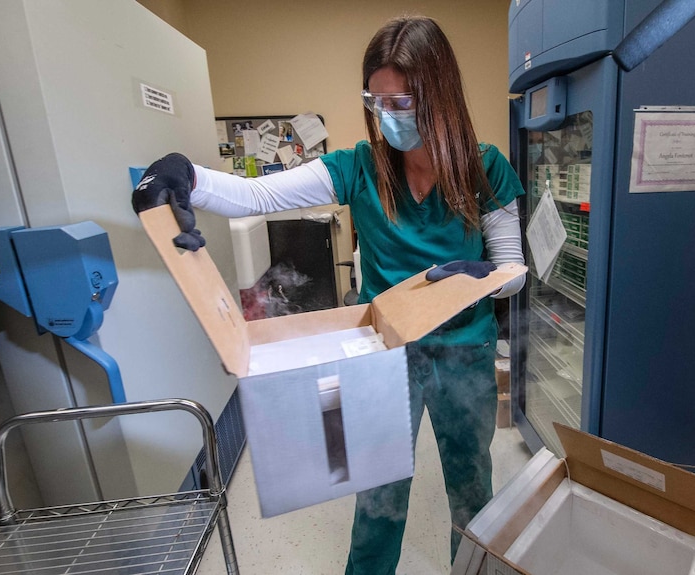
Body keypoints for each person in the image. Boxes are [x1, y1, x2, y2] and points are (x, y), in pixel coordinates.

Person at [132, 15, 525, 575]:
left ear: (439, 95)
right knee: (378, 497)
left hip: (466, 352)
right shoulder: (359, 168)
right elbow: (254, 195)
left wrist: (483, 276)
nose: (388, 118)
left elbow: (513, 272)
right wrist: (185, 175)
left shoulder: (486, 168)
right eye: (377, 102)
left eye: (402, 103)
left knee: (472, 493)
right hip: (384, 355)